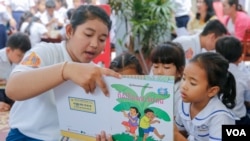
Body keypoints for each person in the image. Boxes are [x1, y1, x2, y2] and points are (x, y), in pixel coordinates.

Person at [5, 5, 120, 141]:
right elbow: (13, 89)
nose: (95, 44)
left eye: (102, 39)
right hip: (27, 136)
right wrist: (66, 70)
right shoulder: (46, 52)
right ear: (70, 31)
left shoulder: (93, 73)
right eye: (88, 34)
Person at [174, 52, 236, 141]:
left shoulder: (220, 118)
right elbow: (181, 131)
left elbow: (178, 136)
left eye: (192, 83)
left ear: (212, 91)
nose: (183, 86)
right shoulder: (184, 102)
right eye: (184, 78)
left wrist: (176, 136)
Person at [215, 36, 250, 125]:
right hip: (238, 120)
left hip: (215, 118)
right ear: (240, 58)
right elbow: (248, 101)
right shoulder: (245, 77)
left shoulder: (210, 72)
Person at [149, 41, 185, 117]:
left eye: (166, 67)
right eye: (155, 66)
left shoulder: (182, 94)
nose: (159, 72)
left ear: (180, 71)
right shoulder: (150, 84)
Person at [0, 32, 31, 112]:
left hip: (12, 95)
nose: (22, 59)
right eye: (19, 55)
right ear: (8, 50)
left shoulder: (24, 61)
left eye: (25, 56)